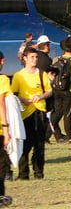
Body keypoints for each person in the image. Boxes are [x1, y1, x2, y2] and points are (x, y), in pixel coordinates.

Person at [13, 46, 50, 180]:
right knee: (25, 145)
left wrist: (40, 96)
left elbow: (49, 91)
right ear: (25, 59)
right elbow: (13, 94)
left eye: (36, 57)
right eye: (32, 57)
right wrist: (23, 99)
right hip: (25, 113)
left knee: (40, 144)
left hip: (39, 111)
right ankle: (23, 174)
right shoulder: (19, 75)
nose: (35, 60)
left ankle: (39, 173)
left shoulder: (42, 74)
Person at [49, 36, 71, 143]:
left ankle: (56, 134)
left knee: (56, 113)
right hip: (69, 90)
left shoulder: (57, 59)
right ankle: (70, 135)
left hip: (57, 90)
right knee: (68, 114)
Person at [0, 49, 13, 205]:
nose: (4, 62)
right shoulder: (2, 80)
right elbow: (1, 103)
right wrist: (6, 128)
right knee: (1, 163)